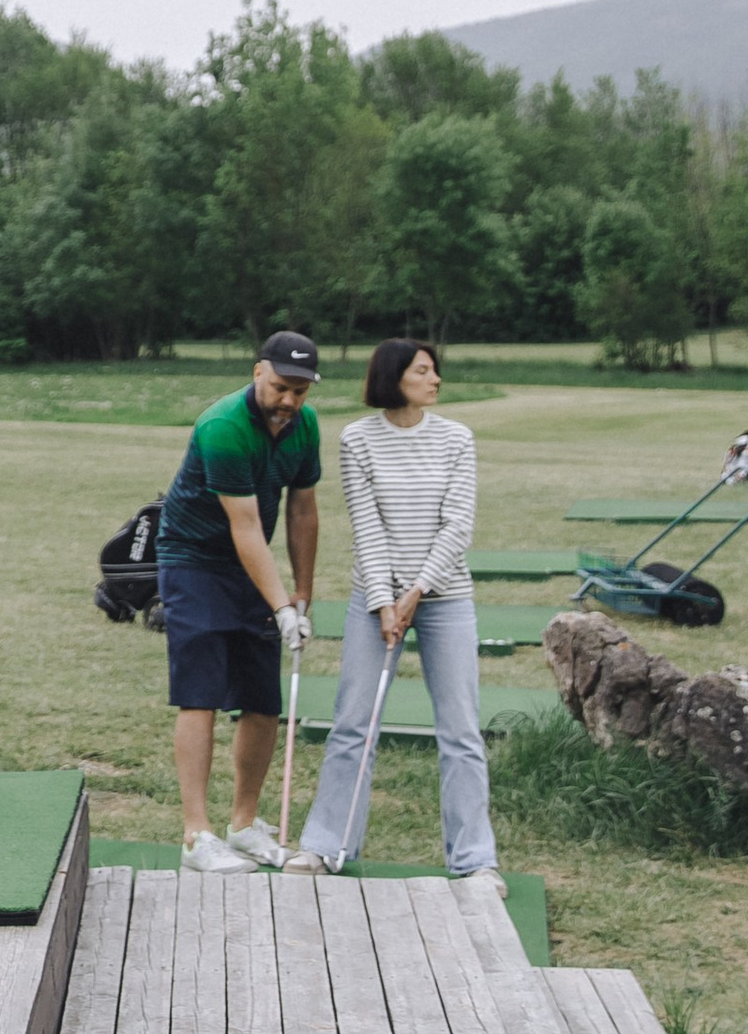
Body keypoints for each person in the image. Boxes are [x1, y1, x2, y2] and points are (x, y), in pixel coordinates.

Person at [288, 338, 500, 888]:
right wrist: (384, 601)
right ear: (394, 377)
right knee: (353, 723)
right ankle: (324, 847)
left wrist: (415, 594)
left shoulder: (457, 438)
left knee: (460, 731)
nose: (436, 380)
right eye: (424, 371)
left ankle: (475, 861)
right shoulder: (358, 438)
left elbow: (458, 525)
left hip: (446, 598)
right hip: (372, 599)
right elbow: (368, 526)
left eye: (435, 371)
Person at [154, 331, 321, 872]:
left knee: (261, 697)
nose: (289, 402)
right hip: (194, 561)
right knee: (200, 693)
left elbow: (302, 511)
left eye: (300, 391)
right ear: (257, 372)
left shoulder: (305, 425)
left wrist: (301, 593)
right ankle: (196, 835)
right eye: (280, 387)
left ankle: (244, 825)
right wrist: (279, 606)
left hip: (255, 567)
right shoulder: (224, 425)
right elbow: (245, 526)